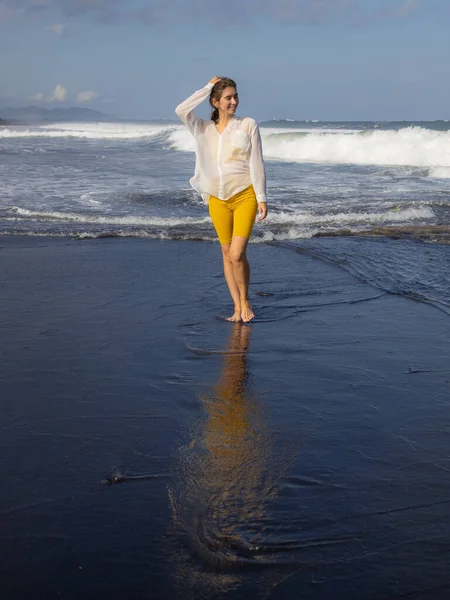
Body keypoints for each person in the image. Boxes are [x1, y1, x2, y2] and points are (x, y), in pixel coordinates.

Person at [175, 77, 268, 323]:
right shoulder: (202, 127)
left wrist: (261, 197)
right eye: (228, 97)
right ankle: (237, 308)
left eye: (236, 96)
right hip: (217, 198)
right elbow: (181, 109)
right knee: (226, 253)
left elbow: (256, 162)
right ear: (215, 102)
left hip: (244, 194)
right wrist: (207, 87)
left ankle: (246, 300)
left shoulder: (247, 125)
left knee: (237, 253)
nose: (234, 101)